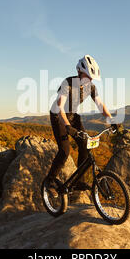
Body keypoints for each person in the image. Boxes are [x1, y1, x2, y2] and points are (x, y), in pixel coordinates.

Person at [46, 54, 120, 194]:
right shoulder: (67, 83)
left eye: (92, 78)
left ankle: (77, 181)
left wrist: (112, 120)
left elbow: (100, 104)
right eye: (88, 76)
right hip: (58, 116)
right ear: (79, 72)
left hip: (73, 116)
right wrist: (67, 127)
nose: (90, 80)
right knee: (64, 151)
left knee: (85, 145)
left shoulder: (90, 88)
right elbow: (60, 106)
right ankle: (49, 181)